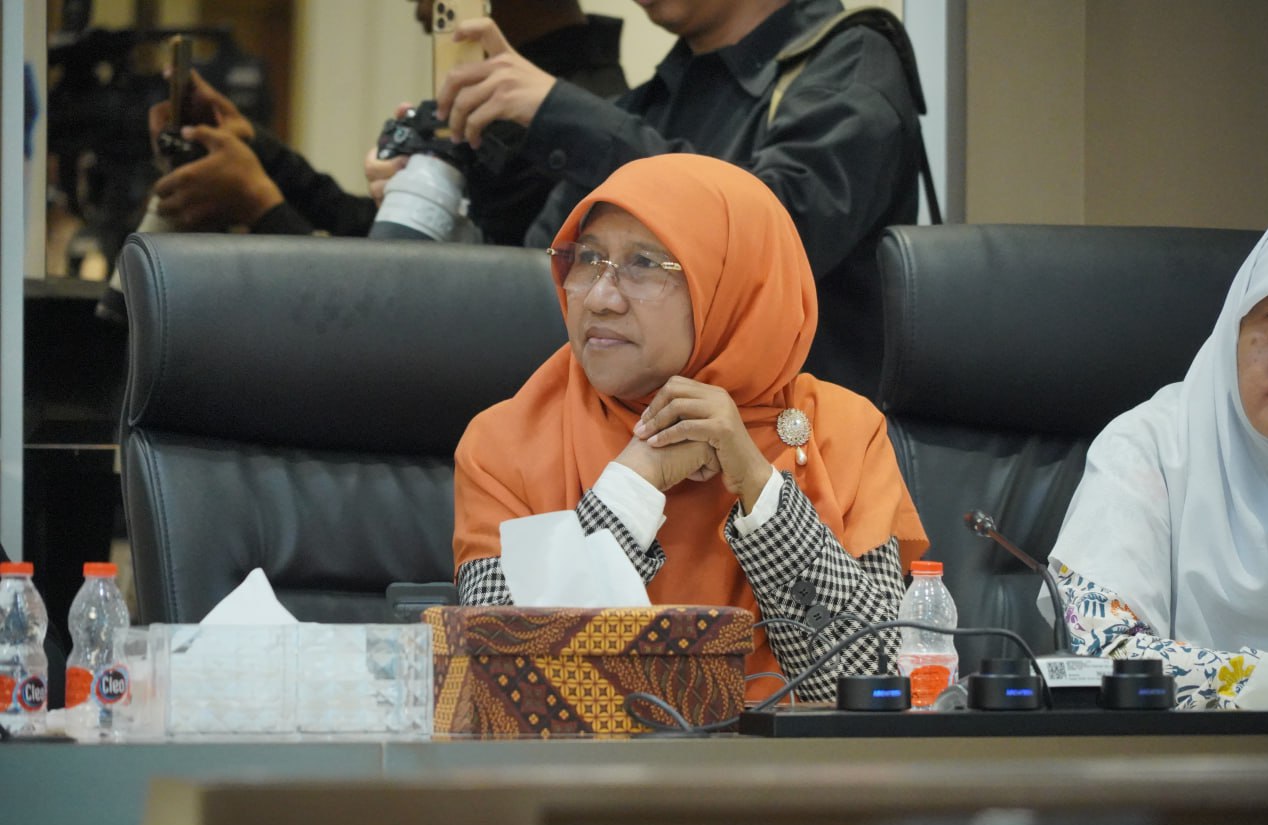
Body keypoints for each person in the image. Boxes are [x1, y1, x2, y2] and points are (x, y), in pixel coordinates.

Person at [452, 153, 928, 703]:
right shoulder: (504, 443)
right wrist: (632, 483)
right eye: (587, 259)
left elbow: (878, 684)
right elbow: (507, 686)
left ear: (737, 285)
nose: (600, 297)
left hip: (793, 757)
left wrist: (760, 490)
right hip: (597, 759)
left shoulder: (843, 431)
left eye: (643, 264)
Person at [437, 0, 924, 394]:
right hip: (634, 441)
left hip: (790, 449)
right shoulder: (658, 98)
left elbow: (776, 235)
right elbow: (544, 269)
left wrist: (566, 115)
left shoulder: (853, 62)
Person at [145, 0, 627, 243]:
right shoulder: (515, 98)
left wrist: (259, 206)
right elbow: (375, 234)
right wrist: (258, 152)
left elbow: (414, 303)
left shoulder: (569, 125)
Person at [1045, 217, 1268, 710]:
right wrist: (1264, 682)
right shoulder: (1146, 447)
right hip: (1180, 756)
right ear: (1234, 328)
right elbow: (1102, 653)